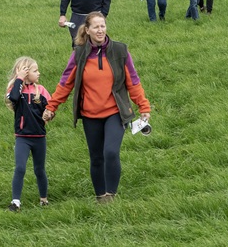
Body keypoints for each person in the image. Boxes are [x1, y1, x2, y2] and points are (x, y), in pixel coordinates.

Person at [43, 12, 151, 203]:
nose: (100, 30)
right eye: (96, 27)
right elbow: (65, 83)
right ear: (87, 30)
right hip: (90, 114)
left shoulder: (120, 51)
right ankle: (101, 196)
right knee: (96, 157)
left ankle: (111, 194)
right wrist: (52, 106)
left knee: (110, 152)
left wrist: (143, 106)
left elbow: (133, 81)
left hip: (115, 112)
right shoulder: (79, 53)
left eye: (103, 26)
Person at [6, 57, 51, 212]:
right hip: (22, 138)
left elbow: (50, 108)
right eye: (35, 70)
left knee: (40, 169)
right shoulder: (16, 90)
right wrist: (19, 78)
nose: (38, 73)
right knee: (20, 168)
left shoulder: (41, 90)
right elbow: (13, 98)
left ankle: (44, 200)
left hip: (39, 137)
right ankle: (16, 202)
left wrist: (49, 115)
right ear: (25, 73)